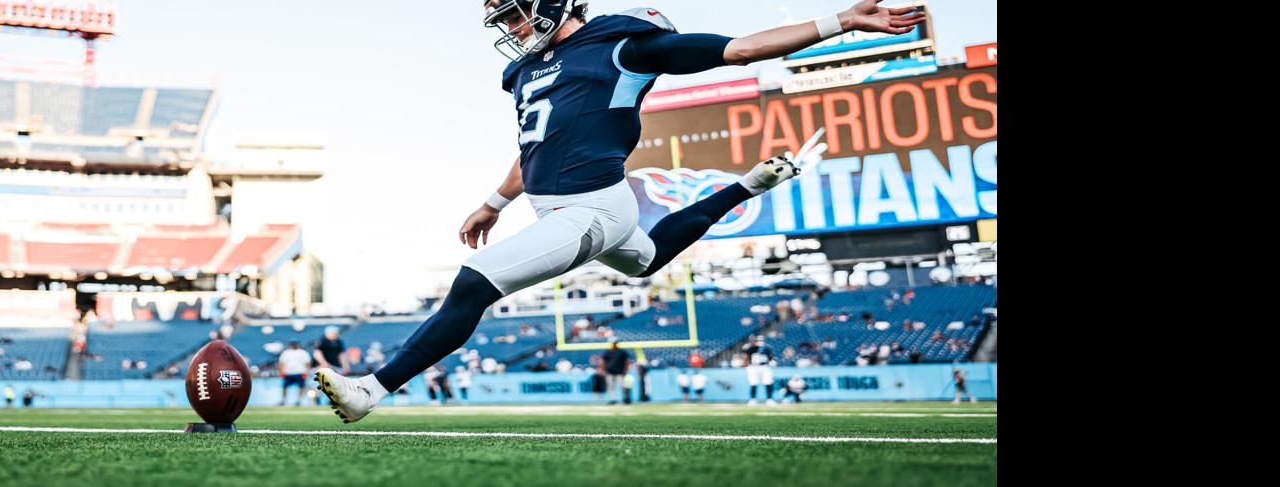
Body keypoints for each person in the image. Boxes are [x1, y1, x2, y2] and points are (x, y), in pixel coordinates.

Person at [313, 0, 923, 424]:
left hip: (593, 206)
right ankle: (748, 186)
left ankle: (373, 388)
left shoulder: (621, 44)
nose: (514, 25)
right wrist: (493, 202)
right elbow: (534, 150)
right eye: (506, 18)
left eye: (520, 11)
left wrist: (840, 20)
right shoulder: (524, 70)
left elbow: (741, 50)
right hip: (568, 210)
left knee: (473, 284)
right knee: (646, 259)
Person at [744, 335, 777, 406]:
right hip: (753, 367)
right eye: (758, 340)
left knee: (768, 382)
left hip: (765, 367)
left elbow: (771, 357)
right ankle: (753, 399)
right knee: (753, 383)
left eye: (761, 340)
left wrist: (772, 362)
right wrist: (747, 365)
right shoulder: (751, 348)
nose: (759, 342)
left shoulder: (767, 348)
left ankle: (769, 399)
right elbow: (746, 357)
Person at [278, 340, 314, 406]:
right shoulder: (286, 353)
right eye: (293, 344)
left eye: (295, 344)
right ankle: (283, 400)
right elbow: (281, 363)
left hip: (300, 372)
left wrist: (307, 372)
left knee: (301, 386)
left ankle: (299, 400)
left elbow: (307, 363)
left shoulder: (303, 352)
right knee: (285, 386)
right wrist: (281, 372)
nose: (294, 345)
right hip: (288, 372)